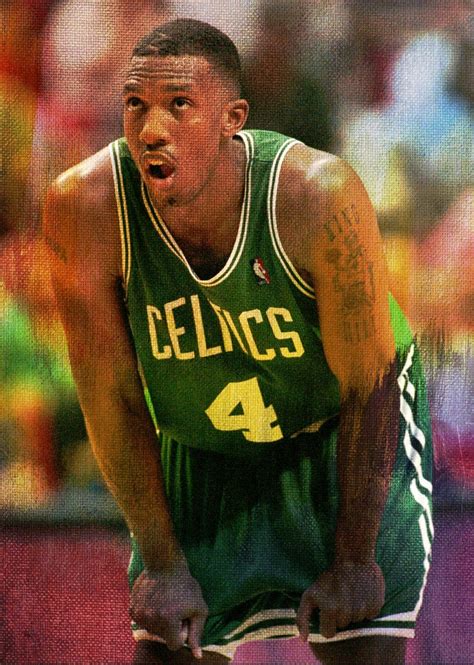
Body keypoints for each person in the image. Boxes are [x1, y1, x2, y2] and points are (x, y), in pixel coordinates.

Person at [43, 19, 433, 665]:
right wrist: (162, 563)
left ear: (234, 120)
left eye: (179, 104)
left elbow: (370, 383)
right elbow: (111, 395)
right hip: (202, 435)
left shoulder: (317, 195)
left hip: (342, 426)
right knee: (169, 645)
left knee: (362, 641)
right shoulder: (84, 208)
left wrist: (354, 558)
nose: (151, 129)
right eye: (135, 104)